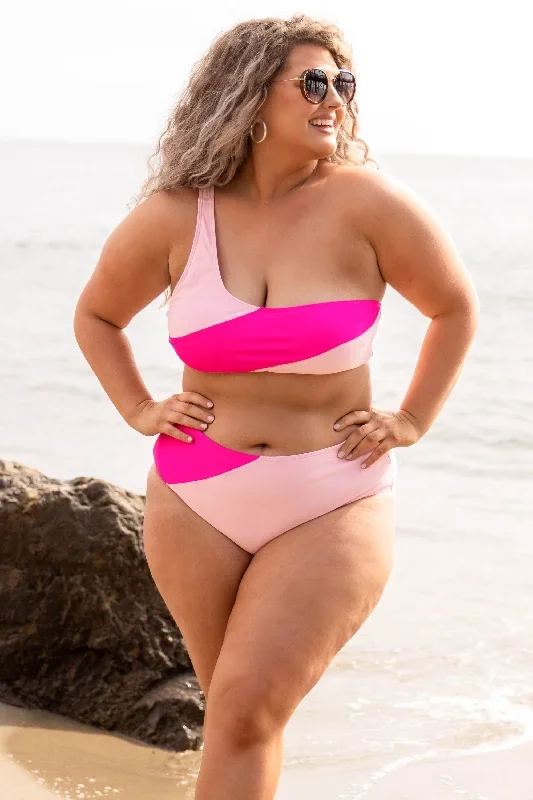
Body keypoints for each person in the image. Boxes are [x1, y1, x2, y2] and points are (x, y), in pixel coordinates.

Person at [73, 13, 479, 800]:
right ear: (249, 96)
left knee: (249, 708)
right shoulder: (174, 214)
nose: (335, 99)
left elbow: (454, 308)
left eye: (344, 84)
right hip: (194, 495)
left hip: (333, 491)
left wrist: (411, 419)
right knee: (232, 714)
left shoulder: (369, 204)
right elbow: (97, 316)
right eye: (314, 82)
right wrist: (137, 406)